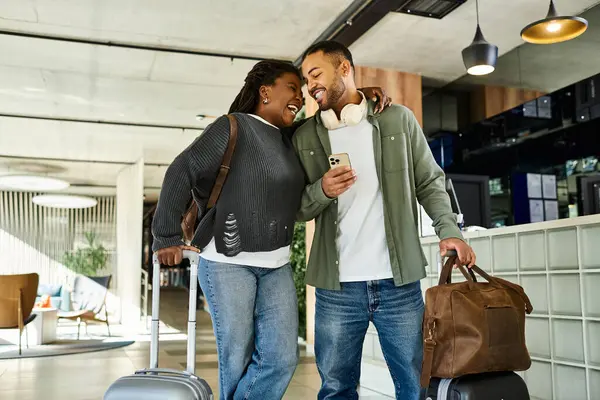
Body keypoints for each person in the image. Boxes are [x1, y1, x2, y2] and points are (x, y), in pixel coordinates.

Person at [151, 59, 391, 400]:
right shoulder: (231, 126)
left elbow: (321, 122)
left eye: (303, 89)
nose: (300, 95)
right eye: (292, 87)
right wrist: (166, 238)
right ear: (265, 91)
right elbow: (181, 169)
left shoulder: (289, 137)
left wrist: (355, 96)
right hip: (226, 263)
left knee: (281, 358)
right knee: (236, 360)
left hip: (276, 265)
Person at [292, 41, 477, 400]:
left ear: (344, 68)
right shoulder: (304, 137)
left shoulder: (398, 119)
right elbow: (298, 208)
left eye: (316, 74)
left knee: (416, 385)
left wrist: (449, 230)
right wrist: (323, 191)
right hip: (336, 290)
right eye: (305, 79)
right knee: (335, 389)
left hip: (400, 285)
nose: (309, 85)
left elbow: (430, 181)